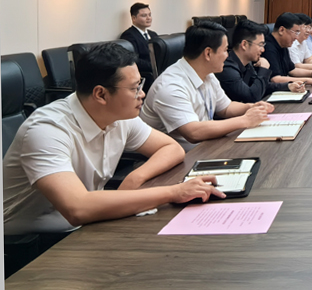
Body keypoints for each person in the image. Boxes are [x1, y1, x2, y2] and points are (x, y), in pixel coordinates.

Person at [3, 43, 225, 238]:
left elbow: (171, 148)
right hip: (26, 244)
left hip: (83, 225)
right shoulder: (47, 130)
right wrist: (174, 192)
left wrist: (134, 178)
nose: (142, 94)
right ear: (101, 94)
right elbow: (77, 208)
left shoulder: (119, 115)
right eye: (134, 88)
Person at [140, 21, 274, 149]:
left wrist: (251, 107)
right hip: (179, 158)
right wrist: (245, 120)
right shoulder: (171, 86)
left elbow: (226, 108)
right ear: (208, 53)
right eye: (225, 50)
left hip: (205, 147)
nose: (227, 55)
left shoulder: (208, 74)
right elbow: (194, 132)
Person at [216, 19, 304, 102]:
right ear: (244, 44)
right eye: (260, 45)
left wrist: (288, 86)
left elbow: (261, 86)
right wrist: (263, 69)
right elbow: (252, 96)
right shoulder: (227, 68)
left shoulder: (247, 64)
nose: (263, 50)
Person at [262, 12, 312, 87]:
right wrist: (310, 81)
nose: (296, 37)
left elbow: (292, 70)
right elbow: (275, 79)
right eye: (296, 32)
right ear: (281, 30)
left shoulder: (283, 44)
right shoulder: (268, 47)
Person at [120, 2, 158, 93]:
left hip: (159, 72)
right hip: (146, 76)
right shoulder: (129, 35)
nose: (148, 18)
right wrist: (154, 66)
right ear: (134, 18)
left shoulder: (153, 34)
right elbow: (134, 60)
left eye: (149, 15)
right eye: (144, 16)